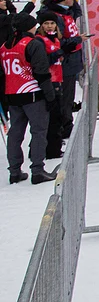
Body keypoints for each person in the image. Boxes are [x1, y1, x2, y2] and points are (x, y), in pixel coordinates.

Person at [2, 14, 56, 184]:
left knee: (15, 133)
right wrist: (50, 95)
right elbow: (41, 71)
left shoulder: (4, 46)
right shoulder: (32, 44)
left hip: (13, 94)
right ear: (29, 27)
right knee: (38, 131)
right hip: (32, 93)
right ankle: (38, 170)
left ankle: (15, 171)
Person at [39, 0, 86, 141]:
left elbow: (77, 11)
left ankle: (66, 126)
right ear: (63, 0)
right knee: (64, 99)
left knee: (68, 97)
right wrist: (78, 39)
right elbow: (58, 43)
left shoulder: (67, 12)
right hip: (63, 65)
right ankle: (63, 128)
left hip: (71, 63)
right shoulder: (56, 18)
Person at [36, 13, 65, 159]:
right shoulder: (40, 40)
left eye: (52, 23)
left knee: (56, 116)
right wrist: (55, 55)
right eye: (46, 23)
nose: (49, 26)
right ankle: (51, 150)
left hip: (57, 80)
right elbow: (42, 61)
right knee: (53, 117)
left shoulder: (55, 39)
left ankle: (53, 146)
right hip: (49, 82)